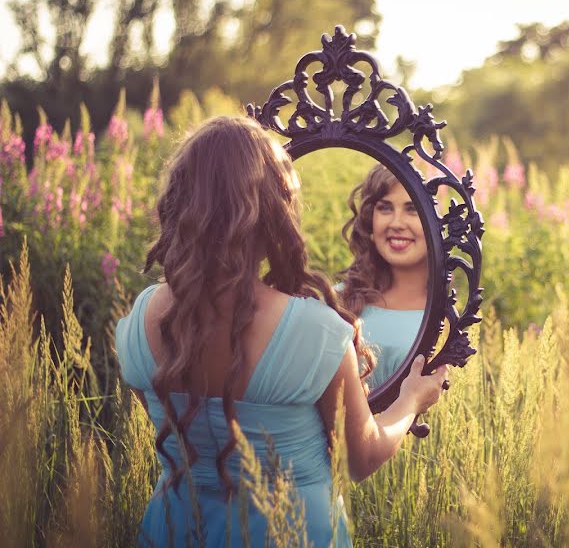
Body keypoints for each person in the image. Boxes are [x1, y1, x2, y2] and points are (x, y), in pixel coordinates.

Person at [115, 116, 449, 548]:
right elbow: (360, 458)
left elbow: (179, 432)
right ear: (272, 210)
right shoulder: (316, 331)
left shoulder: (143, 316)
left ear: (180, 201)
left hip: (175, 529)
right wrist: (410, 401)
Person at [338, 164, 429, 389]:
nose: (397, 223)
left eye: (412, 209)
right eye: (385, 208)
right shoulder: (336, 300)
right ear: (370, 220)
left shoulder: (451, 315)